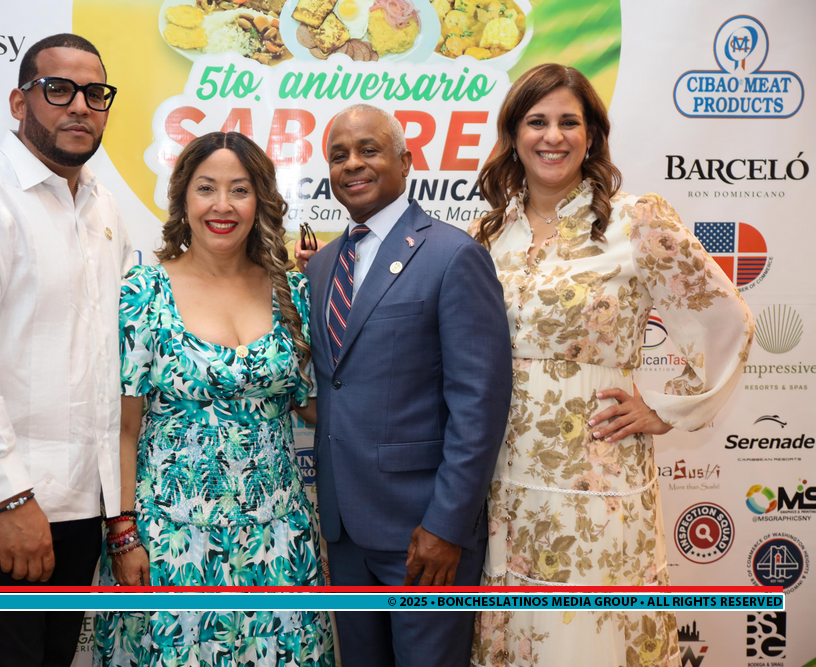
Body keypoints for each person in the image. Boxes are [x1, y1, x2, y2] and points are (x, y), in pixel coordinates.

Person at [468, 64, 754, 666]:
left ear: (592, 134)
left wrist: (666, 408)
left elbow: (727, 319)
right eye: (536, 121)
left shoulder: (636, 221)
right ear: (513, 135)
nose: (553, 136)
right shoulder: (488, 232)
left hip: (598, 468)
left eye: (568, 122)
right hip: (505, 471)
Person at [0, 33, 133, 666]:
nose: (80, 106)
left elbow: (107, 357)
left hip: (80, 505)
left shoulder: (102, 205)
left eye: (95, 93)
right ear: (19, 102)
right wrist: (11, 498)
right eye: (58, 89)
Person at [94, 131, 335, 667]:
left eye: (239, 190)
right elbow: (122, 428)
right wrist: (123, 534)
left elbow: (316, 406)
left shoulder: (294, 293)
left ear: (260, 201)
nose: (222, 205)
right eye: (206, 188)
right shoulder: (143, 292)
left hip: (279, 540)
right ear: (183, 198)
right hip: (170, 540)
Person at [302, 104, 513, 667]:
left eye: (368, 150)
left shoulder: (454, 255)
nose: (352, 164)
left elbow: (479, 405)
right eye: (338, 156)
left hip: (423, 534)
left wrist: (447, 526)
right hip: (344, 533)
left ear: (405, 160)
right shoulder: (321, 268)